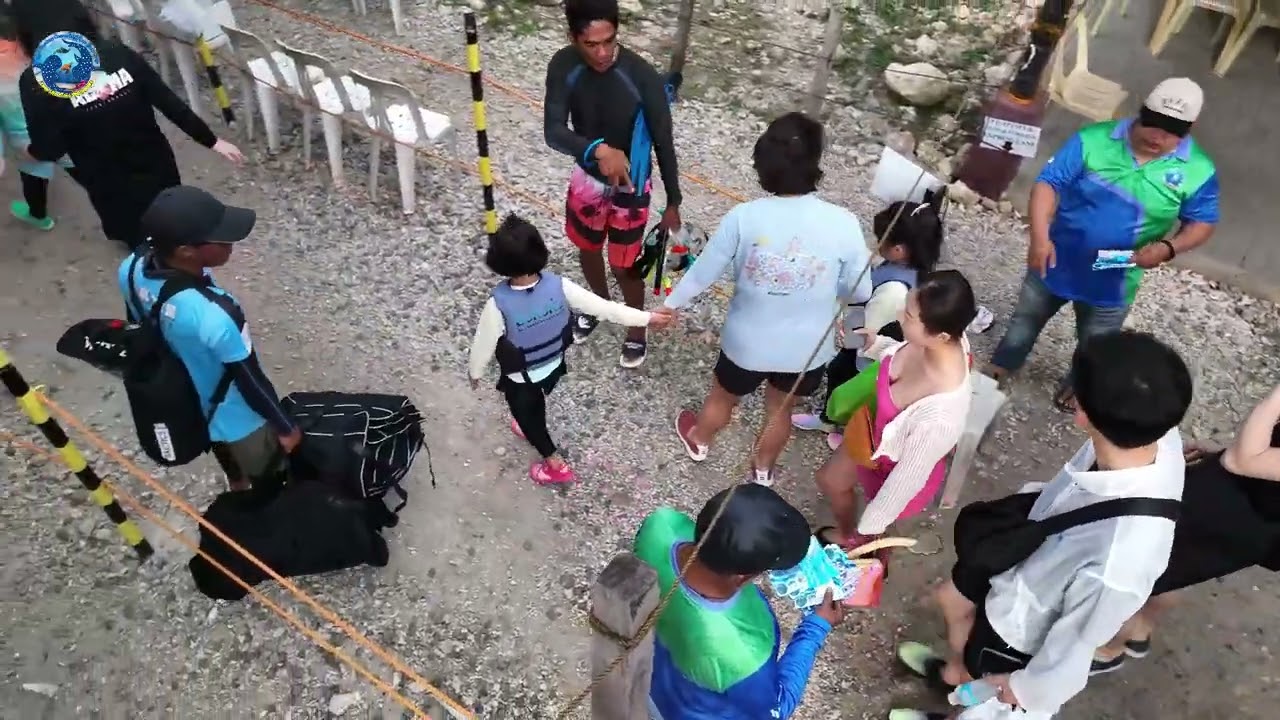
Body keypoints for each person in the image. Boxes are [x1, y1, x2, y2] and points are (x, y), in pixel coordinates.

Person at [891, 330, 1192, 720]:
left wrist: (1023, 688)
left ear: (1082, 412)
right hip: (1021, 571)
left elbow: (1075, 646)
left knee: (991, 706)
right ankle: (954, 681)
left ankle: (958, 705)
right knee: (958, 616)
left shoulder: (1122, 558)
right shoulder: (1152, 434)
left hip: (1022, 634)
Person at [984, 78, 1218, 412]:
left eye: (1171, 131)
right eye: (1153, 124)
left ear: (1190, 128)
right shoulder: (1092, 141)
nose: (1157, 136)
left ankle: (1081, 384)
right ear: (1141, 109)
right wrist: (1039, 237)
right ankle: (1004, 362)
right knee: (1026, 318)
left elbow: (1203, 222)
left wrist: (1169, 248)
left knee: (1098, 342)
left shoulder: (1198, 171)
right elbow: (1049, 183)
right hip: (1056, 258)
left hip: (1116, 276)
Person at [667, 112, 872, 487]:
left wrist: (668, 306)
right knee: (780, 409)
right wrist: (832, 296)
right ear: (815, 163)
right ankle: (762, 468)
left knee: (723, 398)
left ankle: (699, 440)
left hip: (747, 343)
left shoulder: (744, 217)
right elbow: (861, 291)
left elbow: (702, 272)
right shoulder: (844, 222)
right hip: (807, 349)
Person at [13, 0, 243, 250]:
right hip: (155, 162)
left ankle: (149, 266)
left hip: (105, 179)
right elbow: (167, 101)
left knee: (135, 235)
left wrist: (31, 153)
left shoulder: (34, 83)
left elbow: (51, 148)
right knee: (170, 222)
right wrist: (212, 140)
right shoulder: (118, 53)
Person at [467, 214, 674, 485]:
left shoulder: (498, 304)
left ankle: (555, 464)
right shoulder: (560, 286)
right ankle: (531, 423)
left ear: (500, 263)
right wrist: (647, 318)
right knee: (535, 400)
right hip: (553, 363)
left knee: (525, 410)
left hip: (522, 376)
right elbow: (607, 309)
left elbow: (483, 343)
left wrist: (475, 372)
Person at [117, 186, 299, 490]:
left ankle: (237, 486)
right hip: (236, 417)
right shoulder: (216, 314)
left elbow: (137, 322)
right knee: (269, 475)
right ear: (186, 251)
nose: (230, 243)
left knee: (222, 451)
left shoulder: (130, 268)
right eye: (220, 239)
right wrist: (285, 426)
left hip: (189, 398)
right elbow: (249, 379)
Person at [1091, 383, 1280, 672]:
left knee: (1130, 569)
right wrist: (1228, 453)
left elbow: (1243, 462)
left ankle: (1108, 648)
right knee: (1169, 567)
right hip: (1239, 501)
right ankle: (1139, 631)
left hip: (1239, 514)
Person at [543, 0, 682, 368]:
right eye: (591, 44)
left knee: (625, 265)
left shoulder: (641, 76)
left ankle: (636, 328)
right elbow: (553, 131)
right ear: (573, 37)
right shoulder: (563, 65)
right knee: (587, 250)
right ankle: (600, 306)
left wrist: (673, 202)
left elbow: (663, 142)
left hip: (631, 188)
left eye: (610, 40)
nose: (603, 53)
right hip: (587, 179)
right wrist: (599, 150)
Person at [634, 483, 846, 719]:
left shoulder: (662, 525)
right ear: (743, 577)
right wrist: (815, 627)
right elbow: (776, 708)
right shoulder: (742, 653)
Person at [812, 270, 974, 551]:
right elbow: (903, 350)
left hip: (892, 465)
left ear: (940, 335)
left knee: (877, 526)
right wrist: (874, 344)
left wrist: (870, 528)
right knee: (829, 479)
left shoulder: (940, 417)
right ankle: (852, 535)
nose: (899, 315)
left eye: (909, 316)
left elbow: (904, 482)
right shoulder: (947, 342)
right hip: (872, 436)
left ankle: (862, 545)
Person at [792, 191, 947, 450]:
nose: (877, 243)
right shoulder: (914, 269)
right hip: (872, 334)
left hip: (869, 347)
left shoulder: (894, 291)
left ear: (898, 250)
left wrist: (842, 331)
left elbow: (866, 331)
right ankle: (838, 418)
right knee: (846, 377)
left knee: (847, 379)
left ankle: (838, 422)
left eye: (881, 240)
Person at [0, 9, 76, 230]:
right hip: (58, 129)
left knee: (33, 179)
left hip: (25, 142)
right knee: (81, 167)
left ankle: (39, 215)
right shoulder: (36, 56)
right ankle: (109, 195)